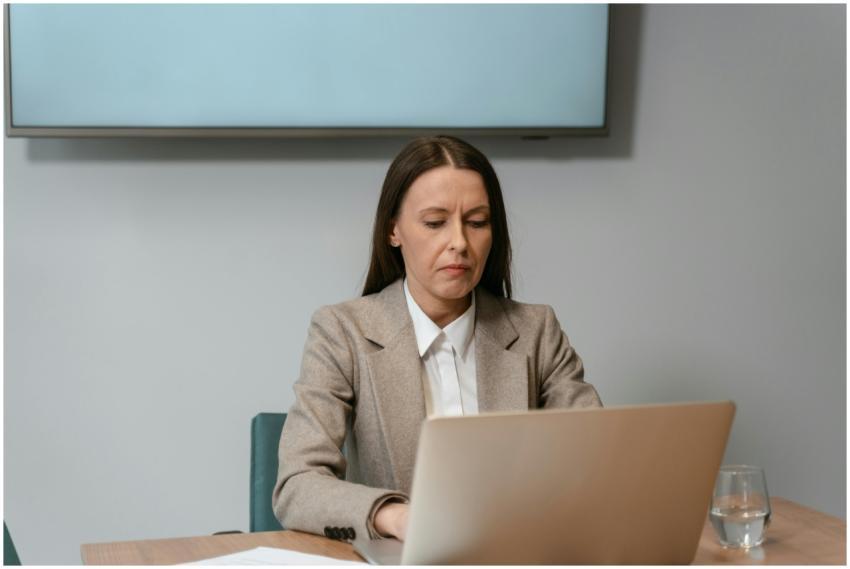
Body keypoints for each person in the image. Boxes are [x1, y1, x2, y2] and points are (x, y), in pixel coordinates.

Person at [272, 135, 601, 546]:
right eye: (434, 222)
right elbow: (298, 485)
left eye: (477, 222)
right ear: (394, 230)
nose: (460, 243)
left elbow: (596, 461)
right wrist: (397, 517)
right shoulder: (343, 331)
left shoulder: (537, 331)